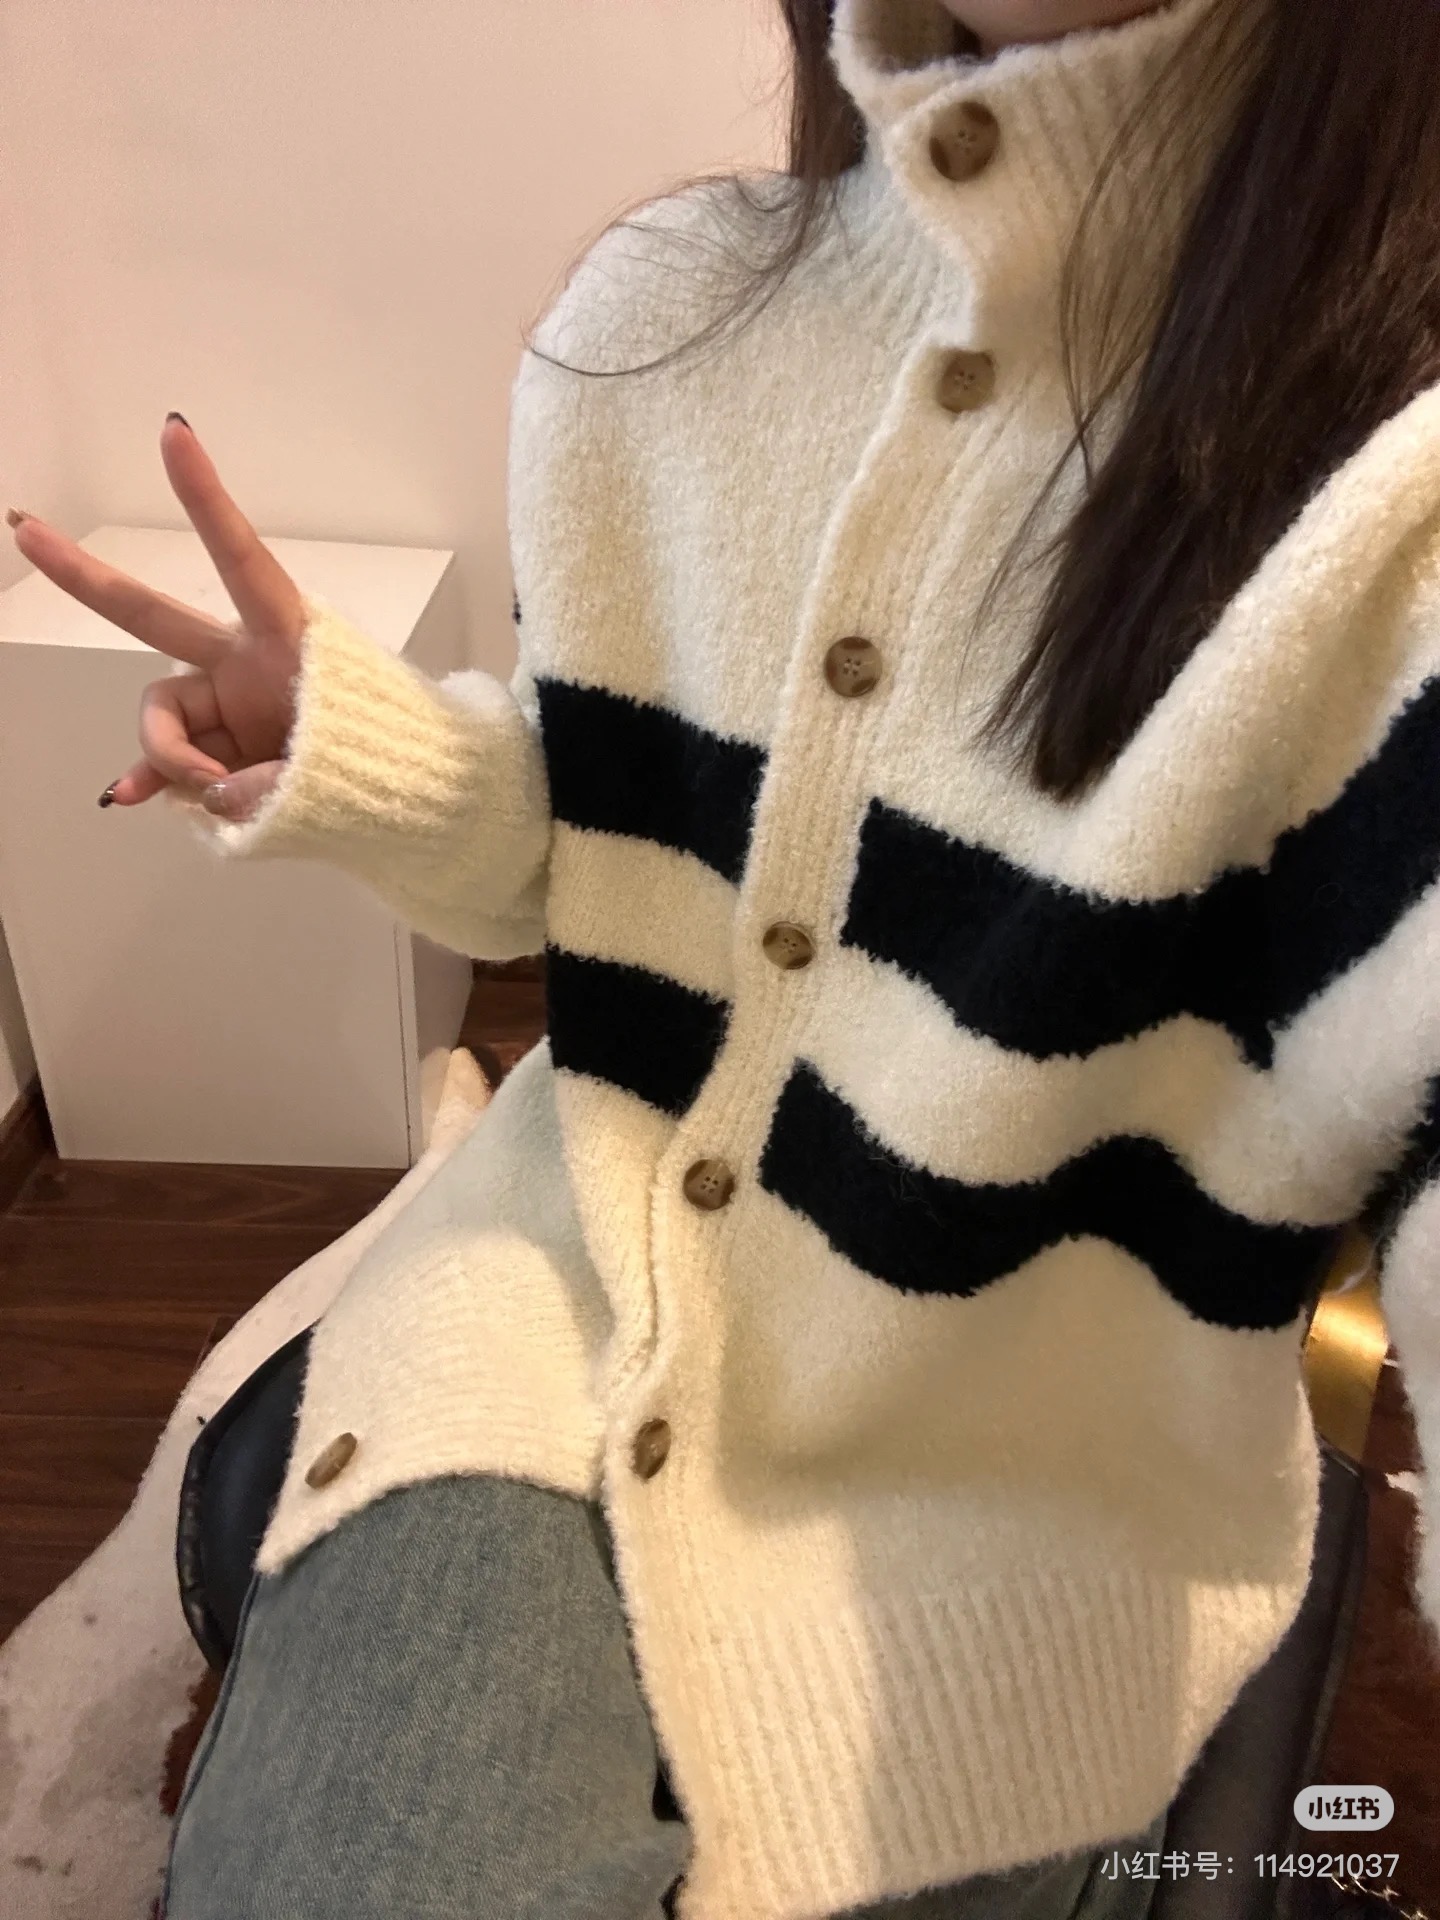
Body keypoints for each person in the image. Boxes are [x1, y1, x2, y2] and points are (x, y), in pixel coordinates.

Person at [10, 0, 1440, 1914]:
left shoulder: (1394, 489)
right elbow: (605, 869)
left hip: (1018, 1504)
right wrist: (365, 752)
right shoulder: (660, 321)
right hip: (547, 1308)